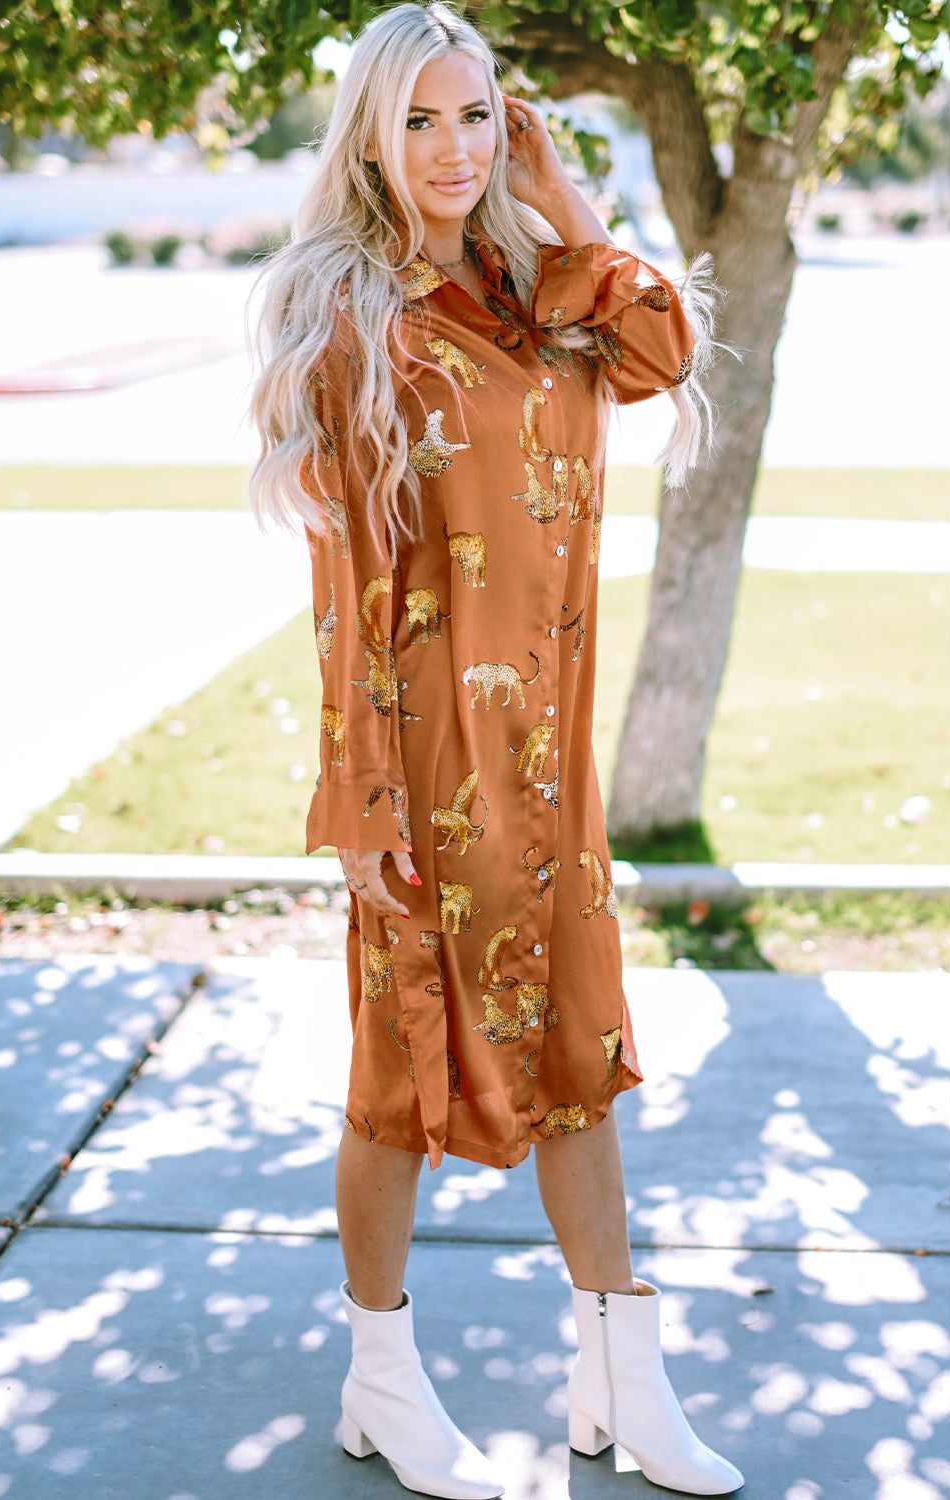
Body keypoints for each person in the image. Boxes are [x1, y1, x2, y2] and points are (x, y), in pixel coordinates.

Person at [248, 4, 741, 1496]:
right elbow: (347, 583)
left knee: (580, 1058)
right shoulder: (349, 305)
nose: (450, 151)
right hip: (425, 755)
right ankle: (381, 1382)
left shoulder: (542, 289)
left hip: (547, 757)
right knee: (403, 1074)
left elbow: (658, 346)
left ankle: (620, 1386)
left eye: (476, 117)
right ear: (368, 137)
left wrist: (564, 197)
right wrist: (363, 795)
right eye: (417, 121)